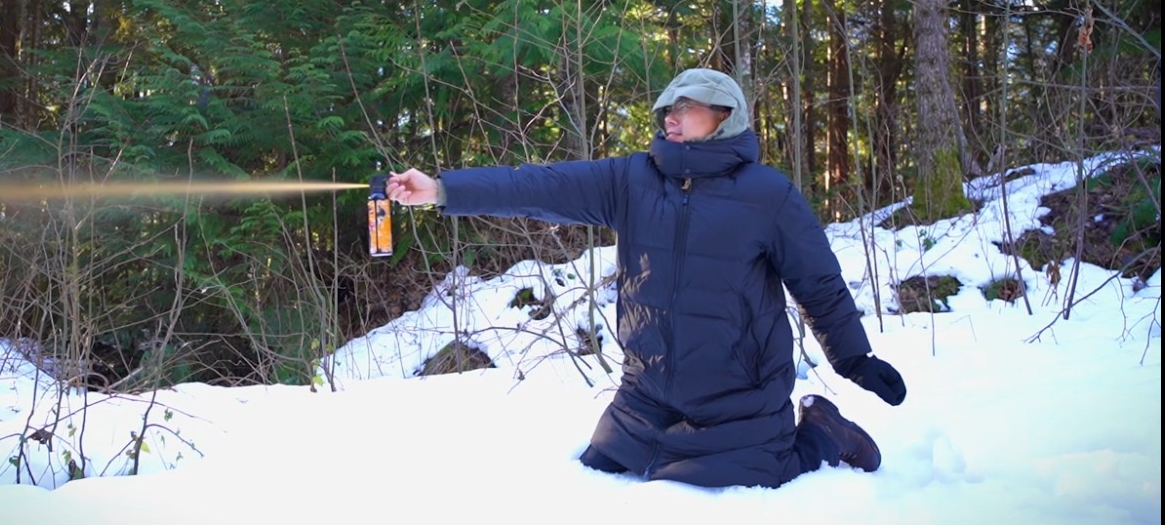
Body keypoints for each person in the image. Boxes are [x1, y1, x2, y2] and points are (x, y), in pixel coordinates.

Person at [386, 68, 906, 488]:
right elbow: (542, 186)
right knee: (598, 472)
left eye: (686, 108)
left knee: (757, 478)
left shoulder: (768, 195)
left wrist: (853, 357)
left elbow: (819, 284)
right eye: (667, 109)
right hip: (645, 394)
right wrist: (442, 190)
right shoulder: (632, 180)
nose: (670, 118)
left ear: (724, 117)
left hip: (739, 399)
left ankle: (822, 432)